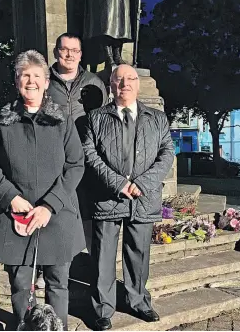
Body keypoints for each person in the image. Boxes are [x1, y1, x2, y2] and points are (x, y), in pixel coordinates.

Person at [0, 50, 86, 330]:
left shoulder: (62, 119)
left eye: (37, 75)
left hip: (57, 215)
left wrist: (49, 205)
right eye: (25, 75)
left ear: (46, 82)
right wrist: (11, 197)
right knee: (20, 285)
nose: (31, 81)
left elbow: (76, 165)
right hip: (16, 217)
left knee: (58, 284)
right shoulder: (0, 120)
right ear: (16, 81)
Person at [82, 64, 175, 330]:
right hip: (107, 197)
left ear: (138, 83)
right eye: (119, 79)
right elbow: (90, 154)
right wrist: (118, 183)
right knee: (103, 257)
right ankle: (102, 308)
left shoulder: (157, 118)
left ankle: (138, 302)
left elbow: (167, 153)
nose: (125, 83)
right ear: (111, 85)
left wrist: (143, 183)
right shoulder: (95, 118)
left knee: (138, 253)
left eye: (130, 78)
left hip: (142, 198)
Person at [47, 32, 109, 263]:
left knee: (89, 211)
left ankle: (94, 263)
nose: (69, 55)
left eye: (74, 50)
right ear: (56, 52)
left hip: (87, 157)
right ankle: (54, 264)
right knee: (57, 209)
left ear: (81, 54)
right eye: (64, 49)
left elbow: (104, 120)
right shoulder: (44, 82)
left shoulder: (94, 82)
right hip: (55, 158)